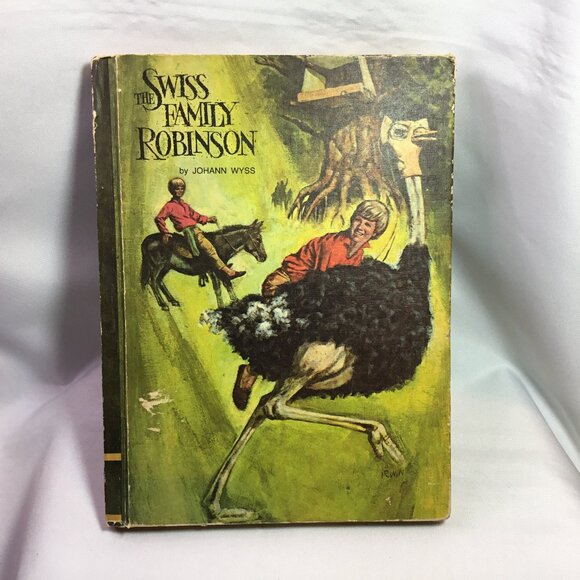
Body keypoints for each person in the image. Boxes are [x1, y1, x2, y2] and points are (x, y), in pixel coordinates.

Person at [233, 199, 389, 410]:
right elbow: (321, 284)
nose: (360, 227)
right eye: (358, 220)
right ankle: (250, 372)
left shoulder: (359, 256)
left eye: (367, 225)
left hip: (308, 291)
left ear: (375, 232)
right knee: (296, 331)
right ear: (352, 220)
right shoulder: (334, 245)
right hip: (285, 283)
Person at [155, 178, 245, 280]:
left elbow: (196, 216)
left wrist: (208, 219)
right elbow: (159, 218)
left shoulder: (184, 205)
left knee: (210, 246)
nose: (180, 191)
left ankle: (218, 267)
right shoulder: (169, 206)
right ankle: (228, 272)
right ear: (172, 190)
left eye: (182, 188)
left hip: (196, 229)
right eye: (177, 189)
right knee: (209, 249)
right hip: (190, 232)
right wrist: (165, 232)